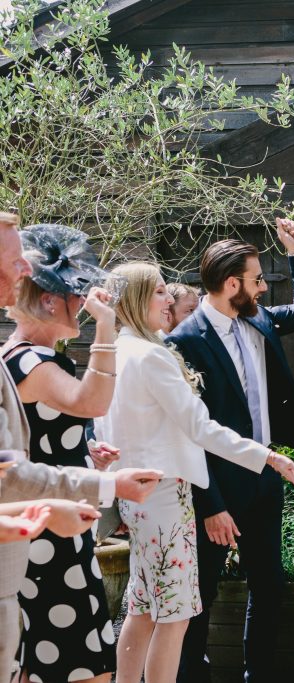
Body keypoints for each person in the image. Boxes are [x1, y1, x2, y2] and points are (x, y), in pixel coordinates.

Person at [95, 262, 294, 683]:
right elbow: (201, 427)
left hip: (135, 495)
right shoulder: (154, 355)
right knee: (174, 615)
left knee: (142, 609)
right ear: (140, 299)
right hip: (165, 497)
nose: (170, 300)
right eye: (160, 292)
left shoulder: (118, 350)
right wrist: (267, 457)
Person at [0, 211, 162, 677]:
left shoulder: (35, 357)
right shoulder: (28, 358)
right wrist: (107, 329)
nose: (84, 303)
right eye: (77, 296)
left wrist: (85, 449)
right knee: (82, 666)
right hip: (44, 528)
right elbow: (90, 401)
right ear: (52, 304)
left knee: (72, 662)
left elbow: (40, 435)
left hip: (59, 519)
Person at [171, 218, 294, 682]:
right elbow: (188, 435)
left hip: (265, 477)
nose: (261, 287)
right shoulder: (182, 342)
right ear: (231, 283)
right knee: (202, 595)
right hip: (216, 488)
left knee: (269, 586)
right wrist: (211, 505)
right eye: (256, 280)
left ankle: (260, 675)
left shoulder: (260, 320)